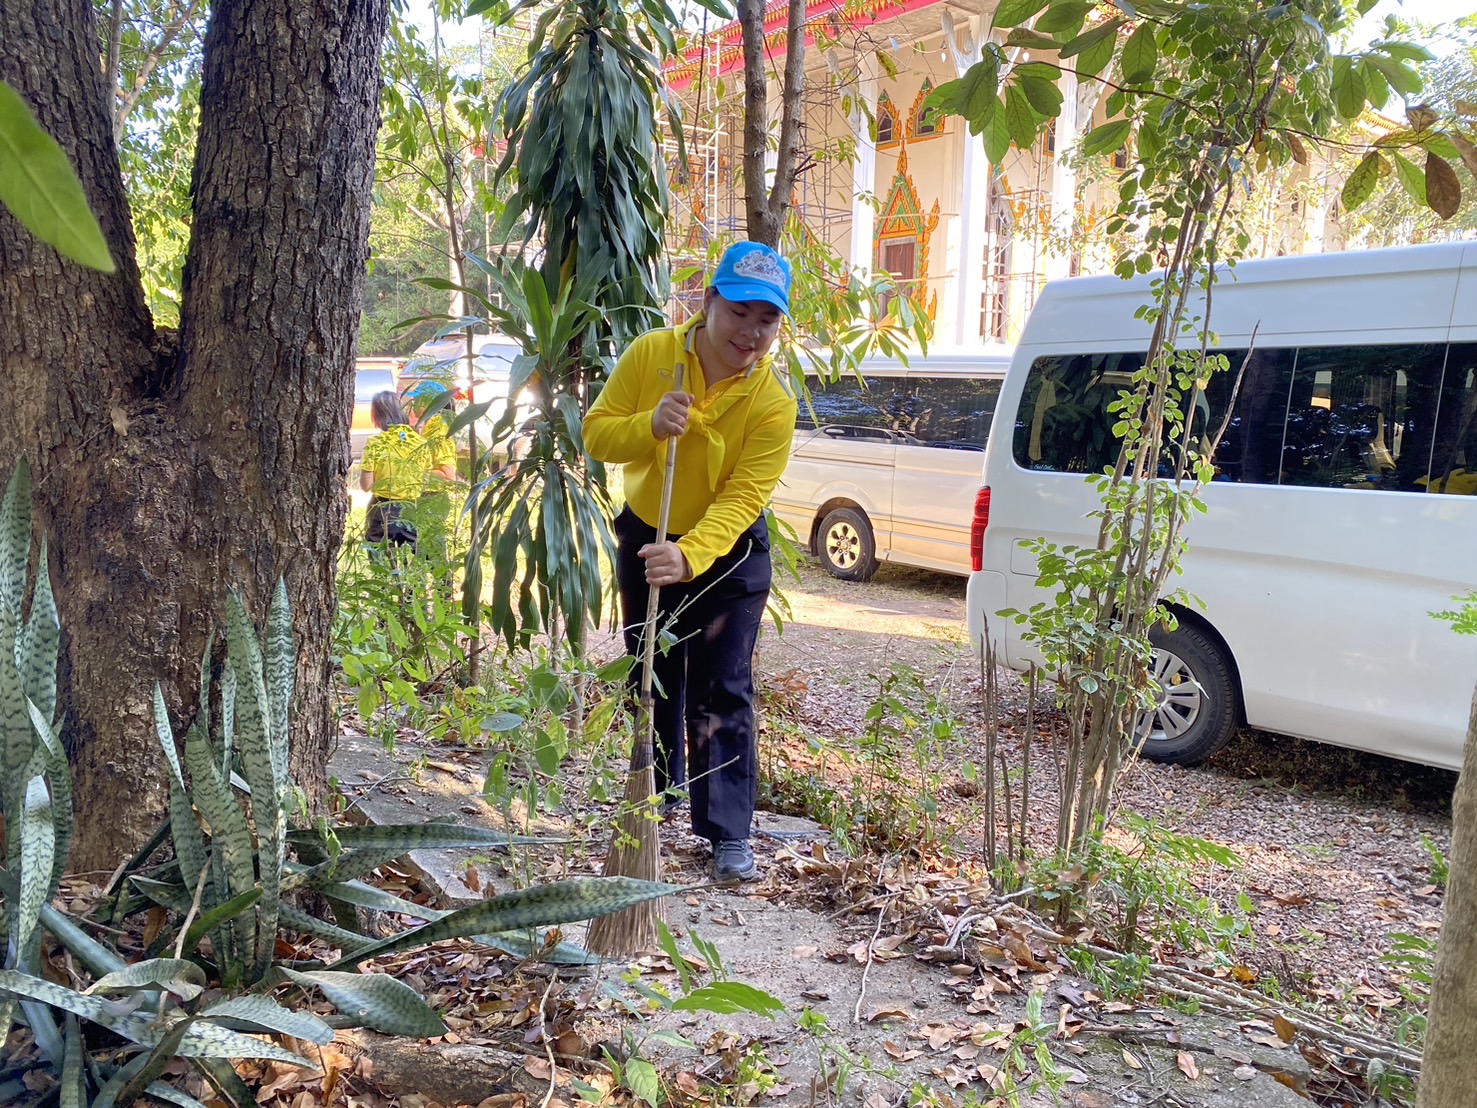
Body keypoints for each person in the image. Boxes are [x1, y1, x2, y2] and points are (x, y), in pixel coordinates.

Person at [584, 241, 798, 884]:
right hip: (649, 534)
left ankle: (728, 832)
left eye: (768, 319)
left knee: (722, 687)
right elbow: (597, 432)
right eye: (739, 311)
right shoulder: (653, 355)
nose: (751, 332)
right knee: (651, 673)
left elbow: (741, 500)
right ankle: (657, 798)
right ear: (708, 302)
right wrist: (648, 423)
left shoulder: (772, 404)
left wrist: (692, 555)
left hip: (727, 557)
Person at [360, 391, 432, 547]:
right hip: (412, 510)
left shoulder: (375, 442)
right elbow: (425, 483)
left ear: (377, 416)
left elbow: (366, 486)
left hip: (382, 510)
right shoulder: (421, 442)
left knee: (381, 562)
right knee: (413, 562)